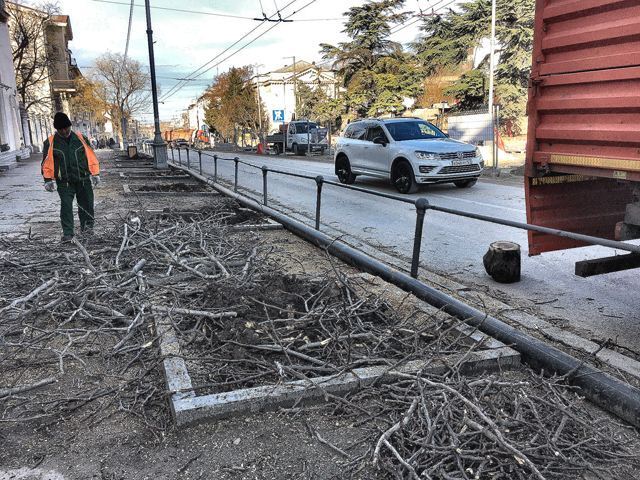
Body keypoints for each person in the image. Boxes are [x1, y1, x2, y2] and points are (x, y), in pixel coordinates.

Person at [41, 112, 101, 242]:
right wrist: (47, 180)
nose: (64, 131)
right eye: (61, 129)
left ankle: (88, 230)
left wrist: (95, 174)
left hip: (83, 178)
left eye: (66, 128)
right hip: (64, 182)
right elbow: (46, 162)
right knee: (66, 206)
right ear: (57, 129)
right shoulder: (50, 142)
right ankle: (68, 233)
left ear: (70, 126)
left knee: (87, 205)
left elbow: (91, 157)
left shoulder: (81, 138)